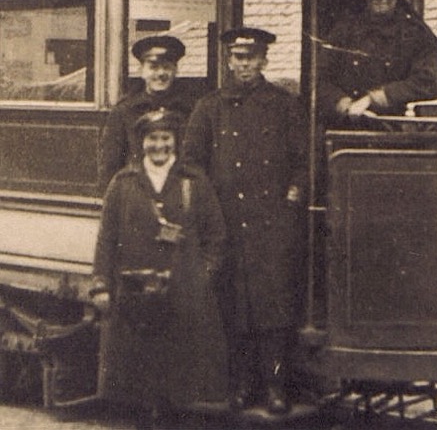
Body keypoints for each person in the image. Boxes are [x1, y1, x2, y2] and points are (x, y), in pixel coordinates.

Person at [182, 27, 308, 415]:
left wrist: (295, 190)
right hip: (228, 223)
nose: (244, 64)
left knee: (273, 310)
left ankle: (275, 388)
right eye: (238, 57)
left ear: (264, 61)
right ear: (228, 61)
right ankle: (239, 387)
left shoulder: (284, 105)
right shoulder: (210, 107)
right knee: (234, 310)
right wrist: (207, 209)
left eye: (251, 57)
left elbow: (305, 158)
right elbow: (191, 162)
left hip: (272, 224)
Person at [91, 108, 228, 429]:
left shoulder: (192, 182)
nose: (159, 145)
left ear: (175, 141)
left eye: (165, 138)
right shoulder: (123, 184)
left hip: (181, 298)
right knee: (137, 380)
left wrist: (199, 276)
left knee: (178, 380)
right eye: (152, 139)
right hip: (135, 298)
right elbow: (106, 239)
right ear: (141, 143)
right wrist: (100, 284)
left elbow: (216, 235)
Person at [317, 0, 437, 127]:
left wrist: (373, 99)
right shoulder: (344, 32)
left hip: (396, 130)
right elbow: (320, 79)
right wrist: (343, 103)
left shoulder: (416, 35)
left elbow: (426, 83)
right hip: (348, 129)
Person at [98, 35, 190, 191]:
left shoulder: (190, 109)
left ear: (176, 70)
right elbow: (110, 164)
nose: (161, 73)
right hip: (136, 195)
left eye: (167, 67)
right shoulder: (124, 111)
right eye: (153, 67)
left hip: (178, 195)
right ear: (142, 71)